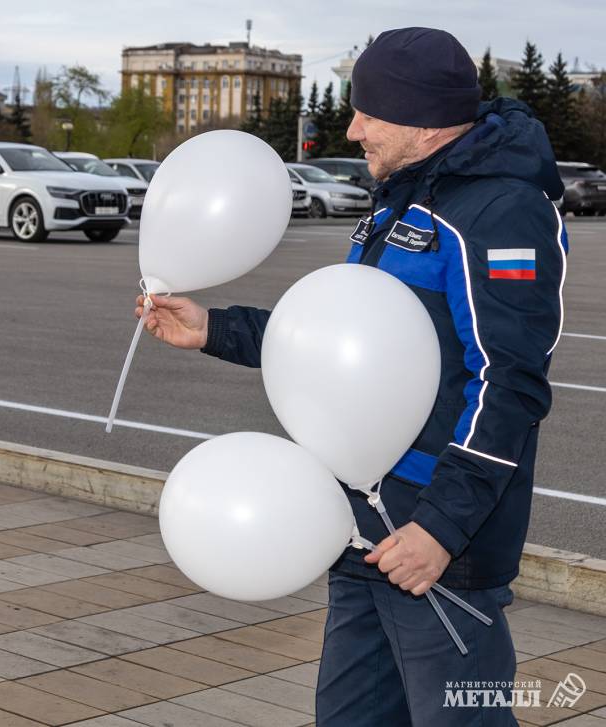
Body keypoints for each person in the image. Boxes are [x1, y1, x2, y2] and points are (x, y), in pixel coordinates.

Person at [137, 27, 567, 727]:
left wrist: (440, 527)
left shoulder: (497, 211)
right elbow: (341, 343)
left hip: (431, 545)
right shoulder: (401, 197)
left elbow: (508, 384)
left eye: (368, 111)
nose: (351, 127)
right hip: (358, 526)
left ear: (424, 121)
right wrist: (213, 328)